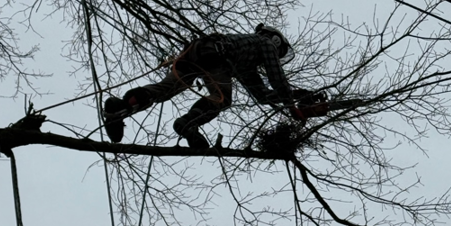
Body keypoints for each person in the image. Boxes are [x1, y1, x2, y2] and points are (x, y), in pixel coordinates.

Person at [102, 24, 327, 150]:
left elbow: (261, 95)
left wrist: (296, 95)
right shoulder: (265, 43)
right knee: (222, 99)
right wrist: (291, 105)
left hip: (196, 52)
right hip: (216, 56)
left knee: (165, 90)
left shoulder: (245, 62)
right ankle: (187, 124)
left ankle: (120, 108)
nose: (276, 58)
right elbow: (276, 76)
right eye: (279, 55)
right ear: (276, 42)